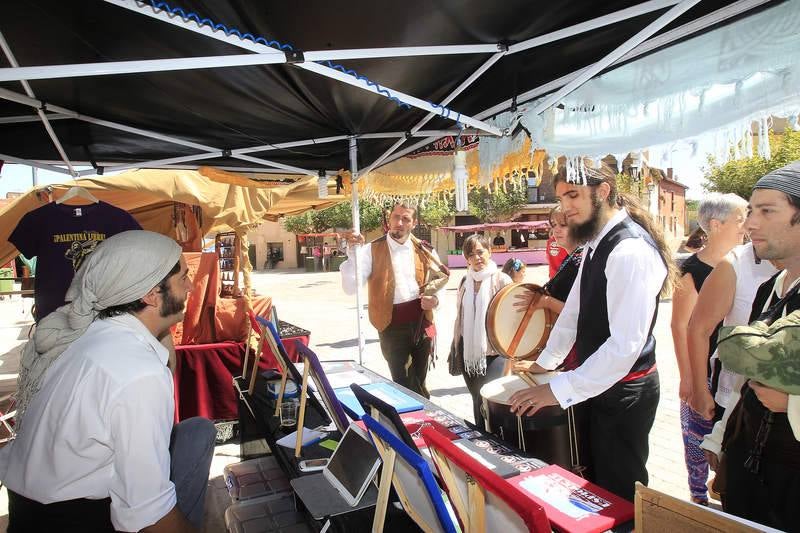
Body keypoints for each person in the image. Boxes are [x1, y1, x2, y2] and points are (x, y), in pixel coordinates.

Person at [0, 230, 216, 533]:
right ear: (152, 294)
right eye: (183, 278)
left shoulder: (97, 331)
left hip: (30, 508)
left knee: (197, 432)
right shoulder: (138, 372)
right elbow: (148, 517)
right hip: (73, 519)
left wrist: (163, 327)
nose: (191, 286)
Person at [508, 165, 675, 501]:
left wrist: (558, 390)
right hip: (601, 385)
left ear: (602, 192)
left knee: (619, 493)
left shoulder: (630, 251)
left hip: (626, 393)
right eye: (561, 197)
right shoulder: (597, 241)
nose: (566, 207)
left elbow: (625, 346)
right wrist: (546, 364)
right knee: (593, 483)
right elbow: (574, 312)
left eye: (573, 195)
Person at [709, 162, 800, 530]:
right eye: (750, 212)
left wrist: (792, 402)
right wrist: (720, 437)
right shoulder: (770, 289)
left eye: (766, 211)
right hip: (750, 472)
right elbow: (748, 377)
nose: (750, 224)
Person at [669, 193, 748, 505]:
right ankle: (698, 501)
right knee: (697, 440)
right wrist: (689, 378)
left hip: (735, 373)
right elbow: (679, 326)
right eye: (741, 218)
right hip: (706, 374)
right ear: (716, 225)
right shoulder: (692, 271)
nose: (747, 225)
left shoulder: (746, 263)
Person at [340, 203, 448, 398]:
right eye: (395, 217)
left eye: (405, 219)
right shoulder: (370, 250)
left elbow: (440, 281)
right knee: (403, 383)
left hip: (422, 323)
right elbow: (350, 288)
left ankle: (421, 417)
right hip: (391, 325)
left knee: (420, 380)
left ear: (414, 223)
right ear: (389, 219)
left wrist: (435, 301)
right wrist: (352, 253)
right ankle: (417, 419)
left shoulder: (426, 250)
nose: (399, 223)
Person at [451, 234, 513, 426]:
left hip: (494, 351)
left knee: (490, 398)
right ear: (466, 259)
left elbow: (512, 316)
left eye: (480, 252)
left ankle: (497, 440)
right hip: (468, 352)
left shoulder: (502, 280)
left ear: (490, 252)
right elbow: (459, 317)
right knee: (476, 399)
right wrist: (455, 345)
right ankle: (480, 436)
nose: (476, 258)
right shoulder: (464, 281)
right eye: (471, 254)